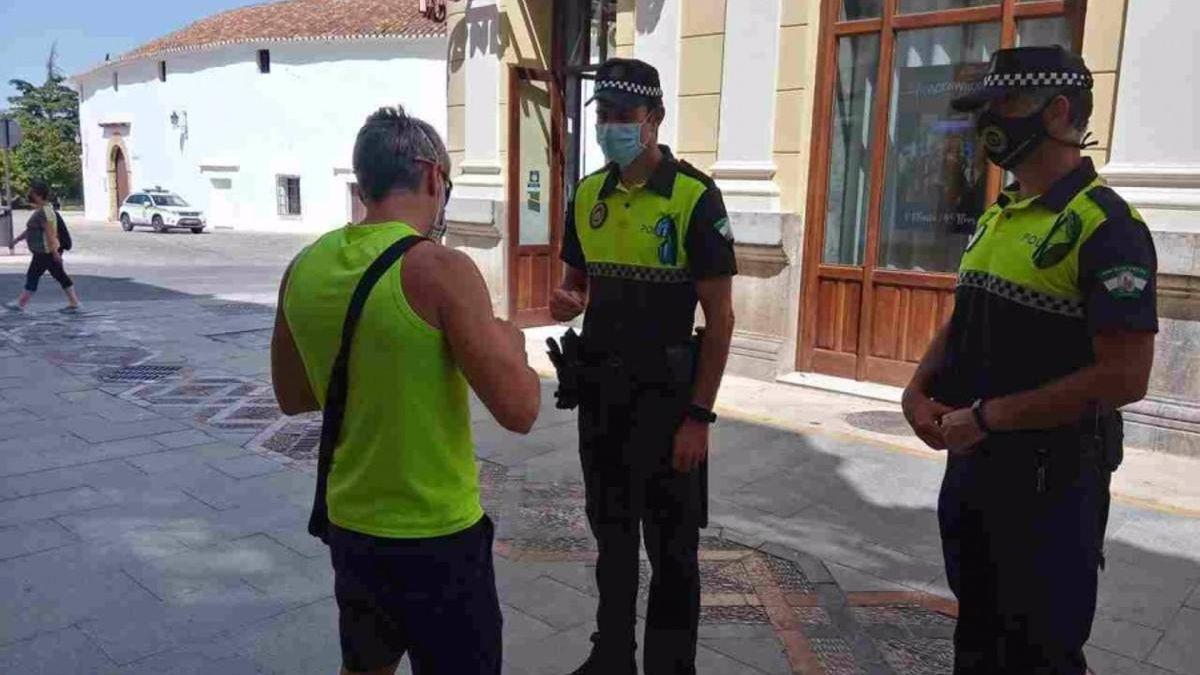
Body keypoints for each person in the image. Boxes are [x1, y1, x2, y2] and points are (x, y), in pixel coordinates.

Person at [902, 46, 1157, 674]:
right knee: (978, 635)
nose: (990, 120)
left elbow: (1126, 376)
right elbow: (965, 317)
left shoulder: (1107, 227)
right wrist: (916, 388)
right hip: (974, 471)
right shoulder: (1000, 213)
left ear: (1059, 112)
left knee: (1041, 650)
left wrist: (989, 417)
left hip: (1050, 486)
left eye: (1004, 104)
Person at [270, 106, 541, 675]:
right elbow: (520, 410)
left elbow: (293, 395)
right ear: (432, 174)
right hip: (436, 535)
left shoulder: (304, 266)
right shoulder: (439, 268)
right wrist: (511, 342)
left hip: (352, 527)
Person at [548, 58, 737, 675]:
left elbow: (721, 319)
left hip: (669, 406)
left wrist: (699, 417)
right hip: (602, 400)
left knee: (674, 552)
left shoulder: (693, 197)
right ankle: (612, 658)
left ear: (653, 118)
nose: (609, 127)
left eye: (622, 116)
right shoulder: (588, 195)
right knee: (612, 539)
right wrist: (567, 299)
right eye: (601, 116)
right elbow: (576, 283)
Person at [5, 180, 81, 313]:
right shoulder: (43, 210)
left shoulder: (45, 212)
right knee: (59, 275)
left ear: (38, 195)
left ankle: (20, 304)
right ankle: (74, 303)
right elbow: (31, 230)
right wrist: (17, 240)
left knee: (33, 275)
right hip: (46, 251)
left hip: (45, 252)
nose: (29, 195)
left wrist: (55, 253)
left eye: (32, 192)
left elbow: (51, 233)